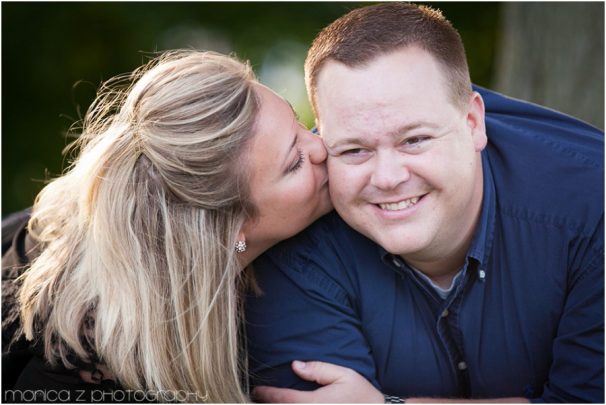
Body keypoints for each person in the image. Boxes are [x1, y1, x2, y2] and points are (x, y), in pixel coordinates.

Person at [246, 3, 604, 403]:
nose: (388, 177)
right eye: (353, 150)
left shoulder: (593, 206)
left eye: (413, 140)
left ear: (473, 124)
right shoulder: (293, 240)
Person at [2, 50, 332, 403]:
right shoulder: (85, 377)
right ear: (232, 228)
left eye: (298, 121)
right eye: (294, 161)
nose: (321, 145)